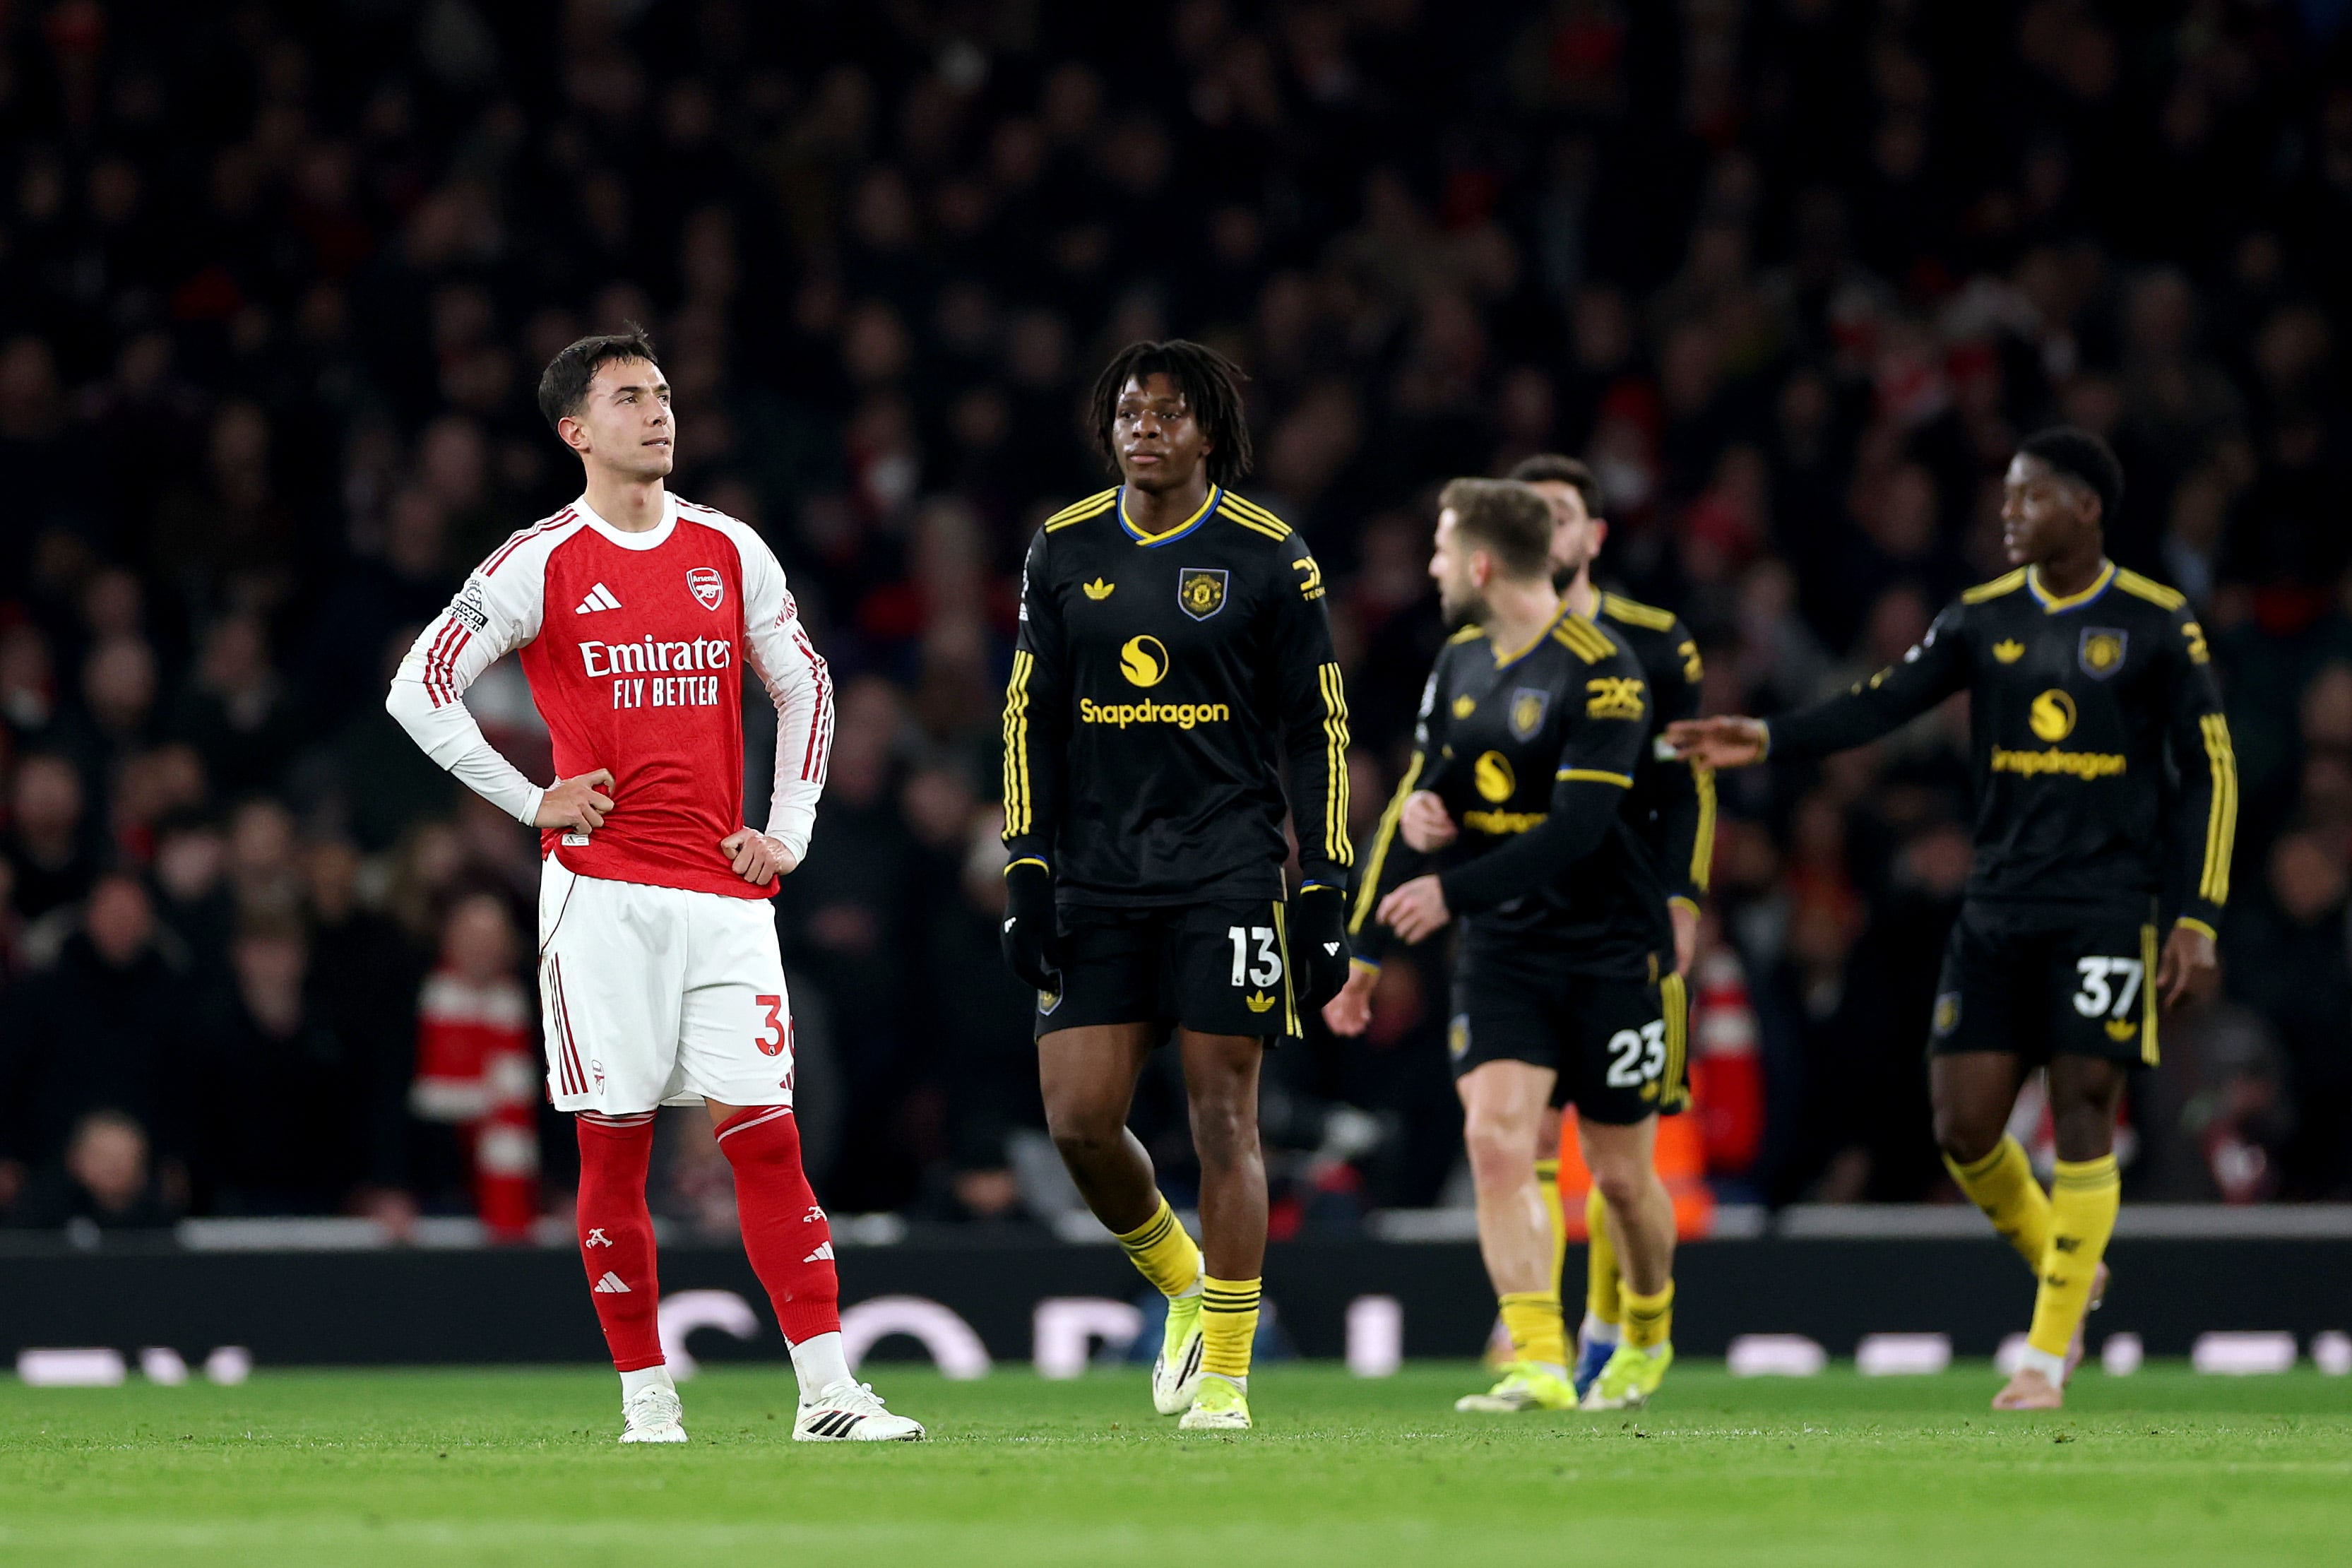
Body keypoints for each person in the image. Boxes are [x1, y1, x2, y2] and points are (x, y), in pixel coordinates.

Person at [387, 326, 922, 1444]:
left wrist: (789, 830)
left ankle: (828, 1394)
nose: (658, 412)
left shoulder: (729, 548)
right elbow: (418, 688)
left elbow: (806, 684)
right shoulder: (539, 561)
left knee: (767, 1138)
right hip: (602, 898)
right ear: (577, 431)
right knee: (614, 1142)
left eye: (665, 393)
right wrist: (528, 797)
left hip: (727, 898)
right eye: (631, 397)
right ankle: (646, 1401)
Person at [1670, 427, 2235, 1411]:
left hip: (2103, 907)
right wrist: (1762, 736)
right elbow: (1879, 704)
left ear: (2086, 509)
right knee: (1963, 1128)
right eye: (2005, 499)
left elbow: (2208, 777)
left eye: (2028, 499)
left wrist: (2196, 917)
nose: (2007, 514)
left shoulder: (2154, 624)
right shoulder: (1979, 619)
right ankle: (2065, 1258)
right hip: (1998, 907)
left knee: (2084, 1110)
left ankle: (2045, 1359)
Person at [997, 339, 1355, 1432]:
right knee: (1080, 1124)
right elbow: (1029, 717)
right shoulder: (1061, 548)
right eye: (1125, 413)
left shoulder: (1268, 554)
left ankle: (1230, 1380)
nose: (1142, 428)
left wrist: (1324, 878)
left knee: (1225, 1119)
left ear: (1210, 434)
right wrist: (1026, 862)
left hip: (1225, 870)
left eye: (1165, 413)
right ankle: (1188, 1290)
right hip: (1100, 874)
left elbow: (1318, 726)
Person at [1331, 477, 1683, 1413]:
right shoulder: (1459, 662)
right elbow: (1421, 796)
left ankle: (1647, 1322)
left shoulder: (1602, 668)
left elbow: (1576, 829)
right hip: (1505, 954)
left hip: (1608, 950)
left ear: (1482, 564)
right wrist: (1363, 952)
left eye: (1443, 552)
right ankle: (1537, 1354)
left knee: (1618, 1178)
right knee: (1493, 1141)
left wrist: (1446, 890)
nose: (1434, 568)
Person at [1516, 453, 1711, 1400]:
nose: (1543, 531)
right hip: (1521, 933)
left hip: (1625, 930)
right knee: (1519, 1151)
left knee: (1619, 1167)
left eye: (1559, 515)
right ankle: (1542, 1347)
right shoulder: (1484, 643)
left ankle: (1619, 1330)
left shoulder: (1657, 642)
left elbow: (1685, 787)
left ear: (1593, 536)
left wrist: (1683, 899)